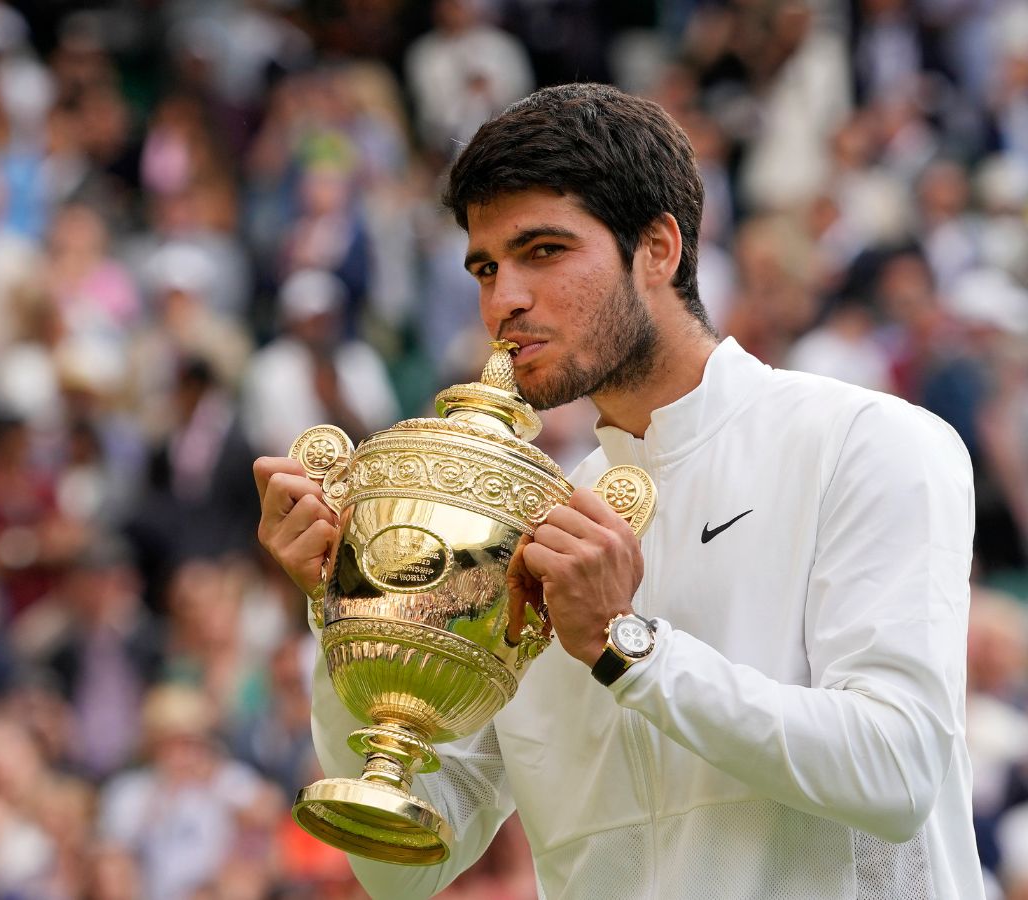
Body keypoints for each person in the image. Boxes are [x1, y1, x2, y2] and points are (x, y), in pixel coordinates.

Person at [253, 83, 984, 898]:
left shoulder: (868, 441)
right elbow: (399, 866)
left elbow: (894, 768)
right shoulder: (518, 524)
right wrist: (345, 605)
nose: (505, 301)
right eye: (486, 268)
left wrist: (628, 646)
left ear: (659, 249)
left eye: (544, 251)